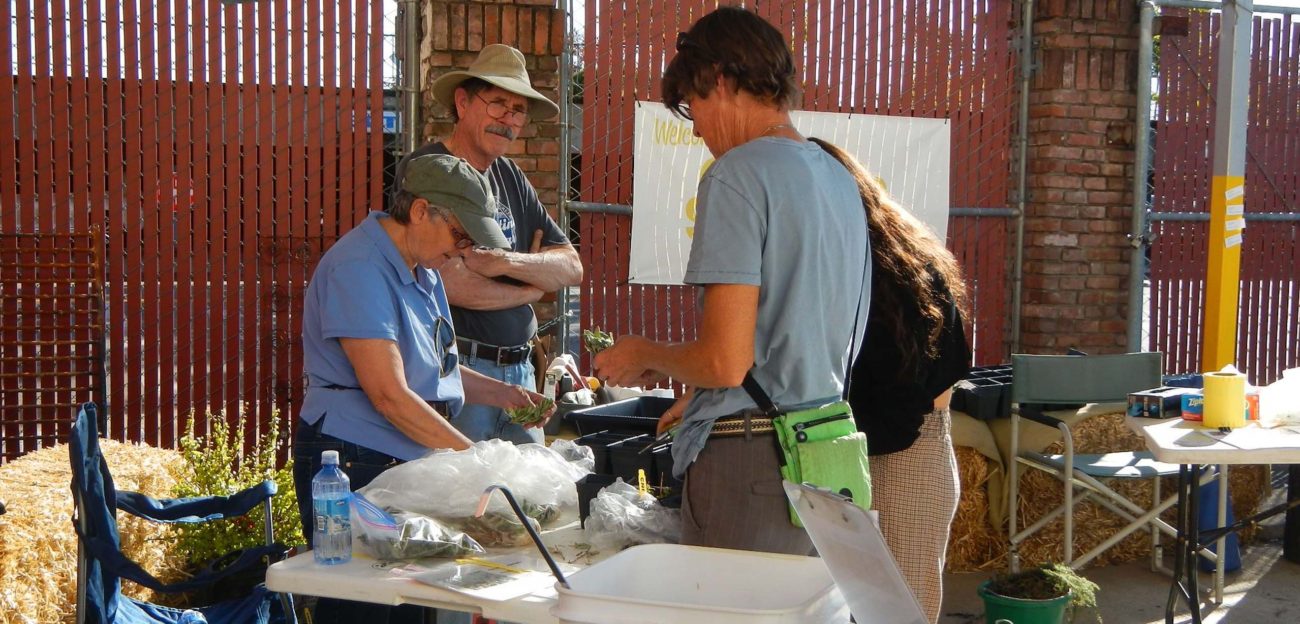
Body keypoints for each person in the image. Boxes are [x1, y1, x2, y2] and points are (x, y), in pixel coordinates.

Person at [593, 7, 870, 556]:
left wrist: (642, 352)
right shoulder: (837, 176)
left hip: (753, 461)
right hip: (828, 446)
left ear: (719, 79)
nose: (695, 126)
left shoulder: (738, 173)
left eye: (692, 105)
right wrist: (687, 382)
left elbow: (726, 362)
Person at [293, 153, 553, 624]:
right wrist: (475, 462)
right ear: (419, 210)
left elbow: (434, 369)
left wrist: (505, 394)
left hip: (404, 459)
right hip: (353, 461)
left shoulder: (423, 267)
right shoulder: (358, 267)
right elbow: (390, 395)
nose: (463, 249)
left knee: (411, 606)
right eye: (460, 234)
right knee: (363, 610)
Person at [812, 137, 971, 623]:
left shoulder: (895, 268)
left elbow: (938, 383)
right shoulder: (900, 257)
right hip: (881, 451)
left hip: (904, 459)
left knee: (899, 610)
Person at [395, 43, 583, 446]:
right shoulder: (430, 173)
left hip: (522, 371)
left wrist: (501, 262)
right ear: (463, 102)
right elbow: (447, 280)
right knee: (465, 503)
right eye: (498, 104)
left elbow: (571, 266)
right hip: (463, 371)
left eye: (518, 111)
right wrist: (531, 285)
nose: (508, 121)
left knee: (527, 504)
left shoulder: (510, 176)